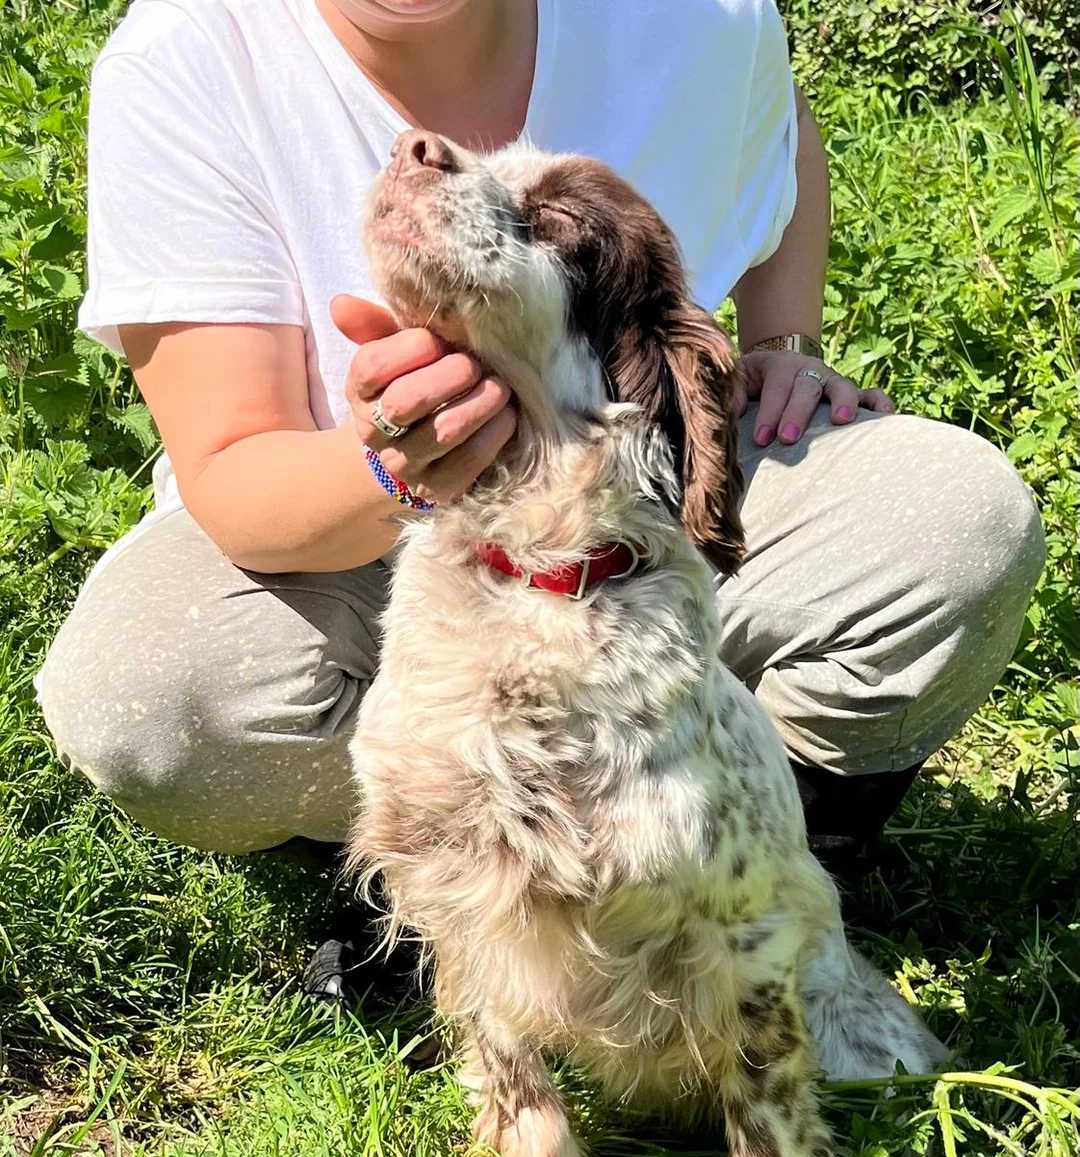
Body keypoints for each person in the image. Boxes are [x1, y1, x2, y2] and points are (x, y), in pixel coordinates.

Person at [39, 0, 1043, 934]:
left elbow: (770, 107)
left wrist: (785, 339)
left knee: (950, 520)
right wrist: (394, 465)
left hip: (631, 503)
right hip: (351, 544)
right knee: (152, 696)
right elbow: (238, 477)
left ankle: (750, 860)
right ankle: (434, 877)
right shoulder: (189, 56)